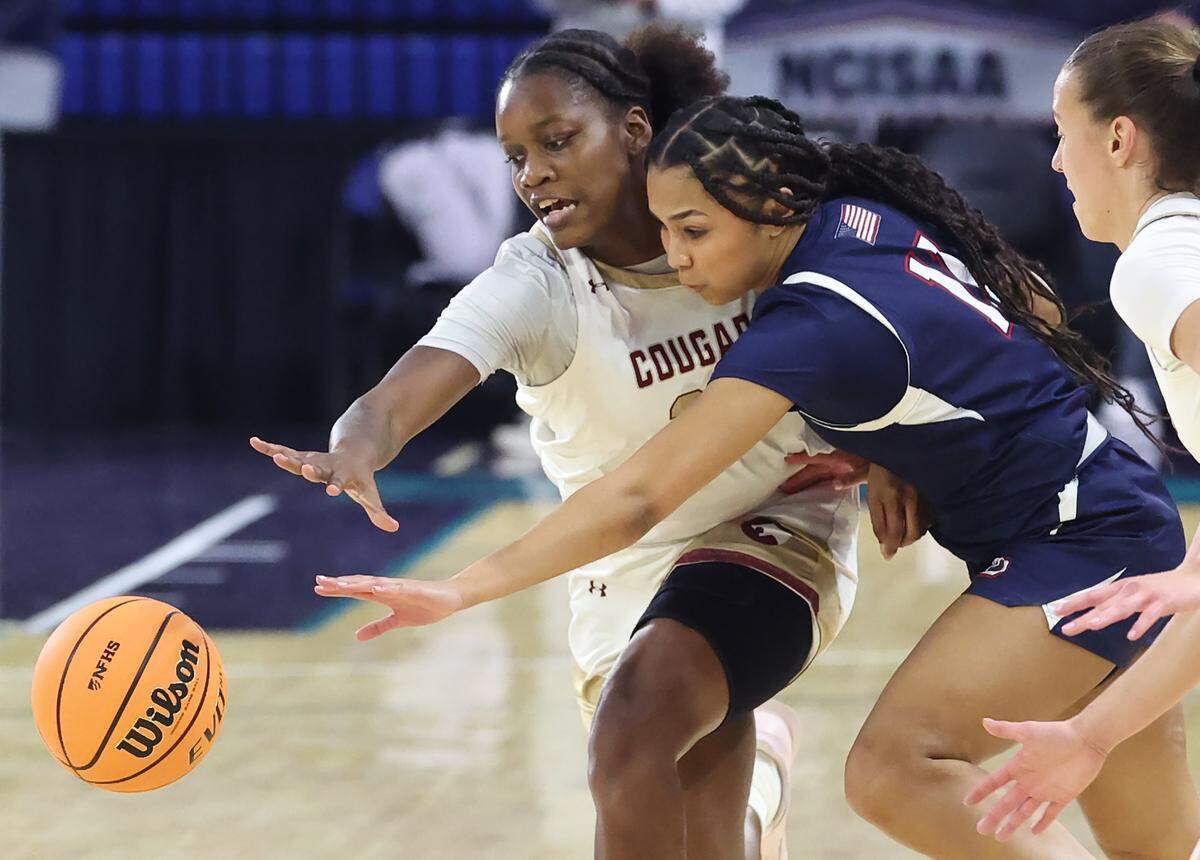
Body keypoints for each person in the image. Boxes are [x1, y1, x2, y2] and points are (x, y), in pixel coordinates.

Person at [316, 93, 1200, 858]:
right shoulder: (864, 215)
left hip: (1081, 542)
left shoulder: (810, 324)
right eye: (664, 229)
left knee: (892, 770)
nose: (679, 255)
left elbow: (638, 496)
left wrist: (465, 589)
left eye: (694, 229)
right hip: (1116, 510)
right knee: (1154, 850)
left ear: (773, 205)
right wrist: (897, 445)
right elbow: (1029, 304)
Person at [253, 27, 899, 860]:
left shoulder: (742, 218)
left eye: (557, 142)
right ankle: (765, 780)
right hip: (618, 565)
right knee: (687, 821)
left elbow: (891, 318)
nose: (533, 175)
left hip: (779, 525)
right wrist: (356, 446)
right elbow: (401, 392)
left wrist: (896, 451)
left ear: (634, 131)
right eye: (516, 156)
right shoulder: (536, 282)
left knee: (631, 734)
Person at [964, 18, 1200, 845]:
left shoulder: (1160, 262)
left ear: (1121, 139)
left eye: (1064, 135)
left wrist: (1091, 737)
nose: (1057, 162)